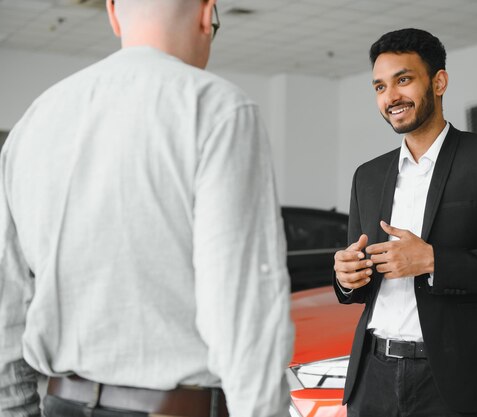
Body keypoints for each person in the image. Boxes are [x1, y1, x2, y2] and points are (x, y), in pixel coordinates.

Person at [0, 0, 293, 416]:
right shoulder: (217, 109)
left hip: (58, 405)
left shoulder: (35, 120)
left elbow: (5, 305)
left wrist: (16, 410)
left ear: (114, 13)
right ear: (207, 15)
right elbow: (241, 308)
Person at [333, 28, 477, 417]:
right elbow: (361, 284)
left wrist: (433, 260)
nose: (390, 96)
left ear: (439, 81)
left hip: (453, 380)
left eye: (404, 80)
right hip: (372, 376)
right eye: (379, 86)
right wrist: (346, 278)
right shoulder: (368, 175)